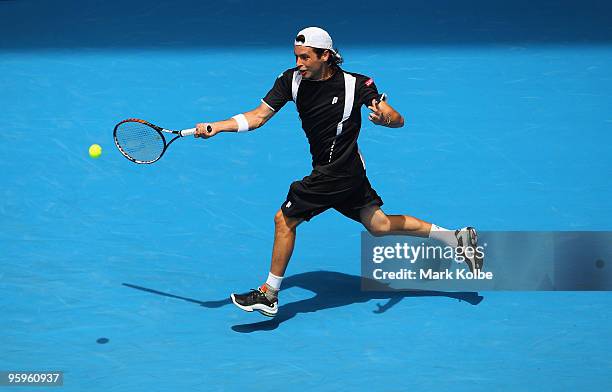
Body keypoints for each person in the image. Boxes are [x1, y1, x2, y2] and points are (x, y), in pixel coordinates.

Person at [194, 27, 483, 317]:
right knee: (379, 226)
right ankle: (455, 238)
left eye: (305, 57)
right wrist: (218, 126)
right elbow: (258, 116)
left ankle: (268, 294)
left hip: (338, 173)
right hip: (344, 171)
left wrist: (387, 119)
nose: (299, 63)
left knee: (284, 220)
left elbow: (397, 118)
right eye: (296, 56)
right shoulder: (290, 80)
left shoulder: (355, 84)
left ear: (326, 56)